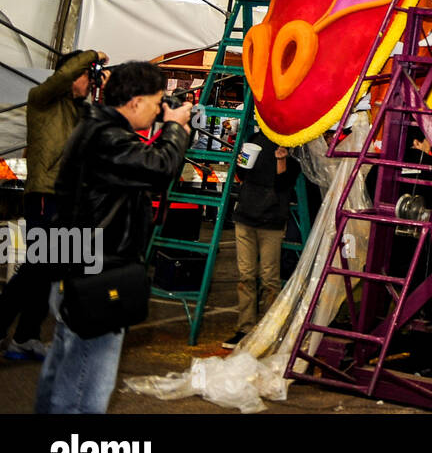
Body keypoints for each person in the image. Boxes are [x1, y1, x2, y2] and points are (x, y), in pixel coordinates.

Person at [37, 61, 191, 413]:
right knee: (86, 386)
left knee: (63, 364)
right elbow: (160, 169)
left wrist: (170, 127)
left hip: (74, 261)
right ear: (134, 103)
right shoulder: (108, 139)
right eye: (155, 102)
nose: (158, 109)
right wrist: (175, 128)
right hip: (98, 271)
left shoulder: (94, 128)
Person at [0, 48, 106, 361]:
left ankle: (26, 337)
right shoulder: (42, 99)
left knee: (47, 270)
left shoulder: (80, 111)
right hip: (46, 195)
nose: (90, 80)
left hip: (70, 199)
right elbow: (61, 75)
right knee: (37, 268)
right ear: (72, 74)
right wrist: (90, 55)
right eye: (86, 74)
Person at [223, 125, 302, 349]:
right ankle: (245, 328)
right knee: (245, 276)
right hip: (246, 215)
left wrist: (281, 160)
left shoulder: (291, 146)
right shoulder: (255, 138)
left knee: (269, 279)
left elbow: (284, 184)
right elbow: (242, 174)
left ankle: (269, 330)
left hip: (271, 220)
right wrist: (240, 161)